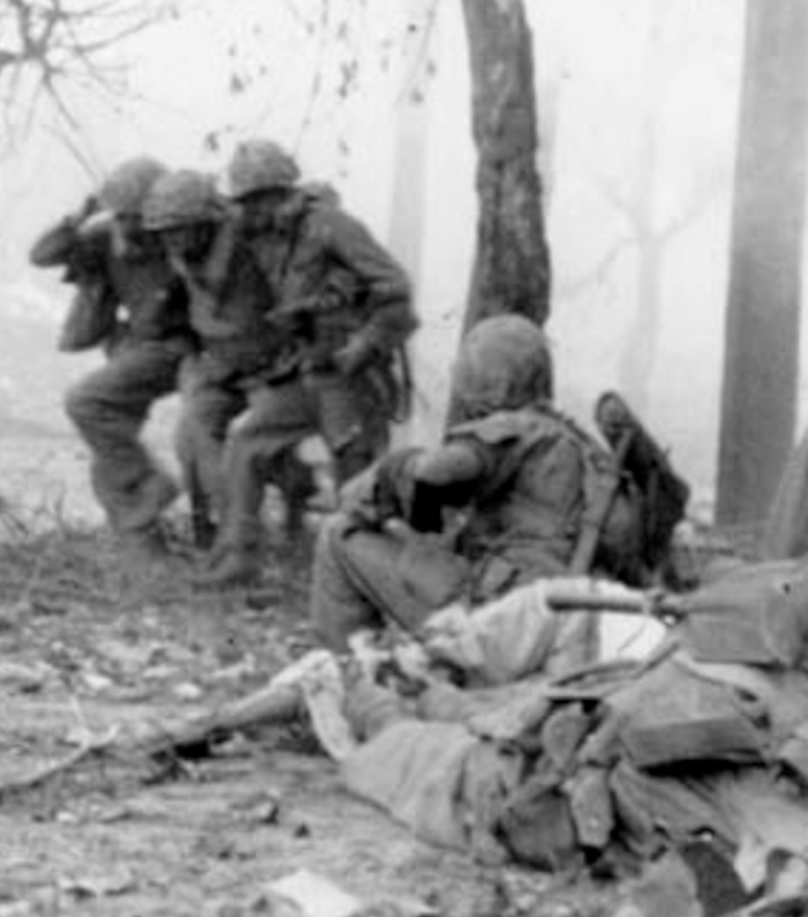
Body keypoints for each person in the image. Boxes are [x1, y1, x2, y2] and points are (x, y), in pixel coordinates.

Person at [203, 139, 417, 586]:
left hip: (350, 377)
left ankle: (364, 581)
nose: (247, 211)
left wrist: (362, 345)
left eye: (252, 200)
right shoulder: (264, 239)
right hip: (306, 371)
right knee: (246, 439)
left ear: (276, 194)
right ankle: (238, 555)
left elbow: (396, 291)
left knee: (355, 479)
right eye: (242, 203)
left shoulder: (332, 227)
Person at [310, 314, 593, 649]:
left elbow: (436, 470)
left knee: (339, 534)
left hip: (494, 620)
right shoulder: (576, 442)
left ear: (493, 377)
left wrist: (393, 471)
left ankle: (348, 676)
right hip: (551, 620)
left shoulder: (518, 426)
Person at [139, 168, 317, 549]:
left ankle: (288, 526)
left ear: (204, 223)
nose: (172, 239)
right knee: (191, 436)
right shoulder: (180, 257)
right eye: (165, 231)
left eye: (180, 228)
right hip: (221, 367)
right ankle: (218, 534)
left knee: (262, 446)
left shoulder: (252, 243)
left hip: (278, 366)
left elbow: (300, 295)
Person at [30, 156, 193, 551]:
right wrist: (82, 215)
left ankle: (151, 487)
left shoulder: (177, 240)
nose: (127, 226)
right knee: (109, 448)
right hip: (137, 349)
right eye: (119, 216)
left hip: (180, 348)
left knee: (85, 403)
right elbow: (42, 254)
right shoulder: (105, 238)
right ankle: (140, 544)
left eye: (135, 216)